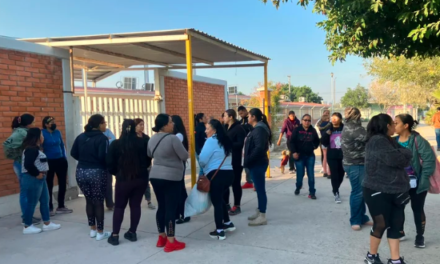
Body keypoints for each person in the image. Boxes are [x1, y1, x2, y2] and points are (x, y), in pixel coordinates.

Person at [363, 114, 412, 264]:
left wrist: (403, 153)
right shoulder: (377, 141)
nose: (395, 126)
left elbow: (402, 155)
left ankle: (395, 259)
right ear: (386, 126)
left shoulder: (388, 140)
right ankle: (371, 256)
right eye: (393, 123)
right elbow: (398, 158)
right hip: (378, 190)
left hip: (395, 190)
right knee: (381, 224)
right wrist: (405, 153)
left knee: (396, 224)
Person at [106, 119, 151, 246]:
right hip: (141, 178)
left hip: (123, 179)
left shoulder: (116, 144)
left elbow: (109, 163)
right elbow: (148, 160)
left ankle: (115, 235)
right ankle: (132, 232)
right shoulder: (143, 142)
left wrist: (118, 173)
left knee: (119, 206)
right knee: (135, 205)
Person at [148, 114, 188, 253]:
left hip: (155, 175)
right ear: (164, 125)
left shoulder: (152, 139)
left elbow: (149, 154)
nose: (173, 124)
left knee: (162, 207)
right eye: (171, 122)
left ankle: (162, 237)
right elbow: (184, 155)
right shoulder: (172, 138)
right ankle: (171, 242)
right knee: (171, 208)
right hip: (172, 177)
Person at [395, 114, 435, 248]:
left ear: (405, 125)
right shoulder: (393, 141)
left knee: (417, 209)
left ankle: (420, 236)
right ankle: (400, 231)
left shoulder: (418, 140)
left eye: (396, 123)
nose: (394, 125)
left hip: (417, 183)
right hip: (399, 183)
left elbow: (429, 161)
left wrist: (423, 180)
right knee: (398, 207)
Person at [71, 114, 111, 241]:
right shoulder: (102, 138)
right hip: (97, 172)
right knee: (98, 201)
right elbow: (103, 157)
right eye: (104, 122)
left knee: (89, 200)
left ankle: (93, 229)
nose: (105, 125)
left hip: (81, 171)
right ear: (99, 124)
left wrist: (84, 160)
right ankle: (100, 231)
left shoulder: (81, 137)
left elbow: (73, 153)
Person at [199, 119, 235, 240]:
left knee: (217, 202)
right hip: (229, 174)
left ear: (214, 130)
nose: (205, 131)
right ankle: (228, 223)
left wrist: (204, 167)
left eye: (207, 128)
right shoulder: (225, 140)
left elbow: (202, 159)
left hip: (216, 175)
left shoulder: (211, 141)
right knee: (221, 199)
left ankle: (219, 230)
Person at [21, 128, 61, 234]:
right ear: (37, 137)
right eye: (41, 136)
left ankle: (47, 223)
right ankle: (27, 225)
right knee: (32, 202)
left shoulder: (36, 148)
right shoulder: (31, 149)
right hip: (33, 178)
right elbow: (28, 165)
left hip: (40, 178)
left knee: (45, 200)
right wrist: (37, 174)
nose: (43, 137)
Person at [3, 114, 40, 225]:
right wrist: (18, 155)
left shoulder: (23, 131)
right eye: (33, 122)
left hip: (23, 164)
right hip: (21, 164)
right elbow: (7, 145)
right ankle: (26, 217)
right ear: (28, 123)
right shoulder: (21, 133)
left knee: (27, 191)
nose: (34, 124)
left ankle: (28, 215)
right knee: (25, 191)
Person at [340, 107, 372, 231]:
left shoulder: (351, 126)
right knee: (357, 192)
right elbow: (369, 138)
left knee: (361, 192)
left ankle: (362, 217)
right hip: (355, 164)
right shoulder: (354, 128)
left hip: (356, 163)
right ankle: (355, 220)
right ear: (357, 115)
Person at [244, 108, 271, 226]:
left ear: (254, 117)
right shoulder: (257, 129)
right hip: (257, 162)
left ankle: (262, 215)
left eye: (249, 116)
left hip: (258, 163)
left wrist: (249, 159)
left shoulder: (259, 130)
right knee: (259, 189)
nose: (247, 118)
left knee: (260, 190)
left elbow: (259, 148)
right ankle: (260, 211)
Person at [41, 116, 72, 216]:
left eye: (54, 121)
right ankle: (49, 207)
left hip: (60, 160)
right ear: (46, 124)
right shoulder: (42, 133)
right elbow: (40, 147)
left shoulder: (57, 132)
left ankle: (61, 206)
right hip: (48, 161)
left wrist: (64, 157)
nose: (53, 123)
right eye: (51, 122)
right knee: (49, 184)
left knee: (62, 183)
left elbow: (62, 145)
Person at [290, 114, 320, 199]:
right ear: (302, 120)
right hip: (299, 156)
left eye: (309, 120)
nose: (307, 122)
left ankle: (312, 192)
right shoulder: (297, 130)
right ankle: (298, 186)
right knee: (300, 175)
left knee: (311, 174)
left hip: (310, 156)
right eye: (305, 120)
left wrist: (314, 146)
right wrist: (294, 152)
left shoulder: (313, 130)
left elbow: (317, 141)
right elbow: (291, 142)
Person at [222, 109, 247, 216]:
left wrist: (228, 144)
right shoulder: (225, 127)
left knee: (235, 183)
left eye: (225, 116)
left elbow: (241, 144)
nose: (223, 118)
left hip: (236, 160)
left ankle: (237, 205)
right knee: (225, 183)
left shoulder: (239, 128)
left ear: (231, 117)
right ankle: (226, 204)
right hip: (225, 160)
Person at [321, 112, 345, 204]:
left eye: (336, 117)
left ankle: (336, 188)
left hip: (343, 155)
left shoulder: (344, 128)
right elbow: (323, 142)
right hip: (332, 155)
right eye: (332, 118)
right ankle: (336, 192)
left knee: (341, 174)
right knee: (334, 174)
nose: (333, 119)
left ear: (340, 119)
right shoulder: (328, 128)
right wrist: (327, 134)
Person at [172, 115, 191, 225]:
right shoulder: (176, 135)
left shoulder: (178, 135)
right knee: (178, 189)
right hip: (177, 165)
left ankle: (184, 214)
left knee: (180, 190)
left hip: (178, 165)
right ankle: (179, 213)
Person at [134, 118, 156, 210]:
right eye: (140, 125)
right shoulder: (131, 138)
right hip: (134, 165)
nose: (142, 126)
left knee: (146, 183)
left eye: (143, 124)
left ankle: (149, 201)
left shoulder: (146, 137)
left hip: (146, 164)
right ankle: (135, 201)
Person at [238, 105, 254, 189]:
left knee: (250, 164)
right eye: (239, 114)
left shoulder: (250, 120)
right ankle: (249, 181)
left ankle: (251, 181)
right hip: (243, 145)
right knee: (245, 163)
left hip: (250, 144)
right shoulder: (240, 121)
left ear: (245, 111)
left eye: (241, 113)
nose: (241, 115)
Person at [103, 128, 116, 210]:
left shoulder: (107, 131)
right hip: (97, 163)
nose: (105, 125)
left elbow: (113, 140)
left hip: (106, 160)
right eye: (103, 123)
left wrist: (107, 141)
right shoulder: (93, 134)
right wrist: (107, 140)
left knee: (108, 183)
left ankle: (110, 203)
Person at [316, 110, 331, 178]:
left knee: (324, 157)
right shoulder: (329, 124)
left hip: (322, 141)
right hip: (328, 142)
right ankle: (329, 172)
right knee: (329, 158)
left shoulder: (320, 125)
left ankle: (324, 171)